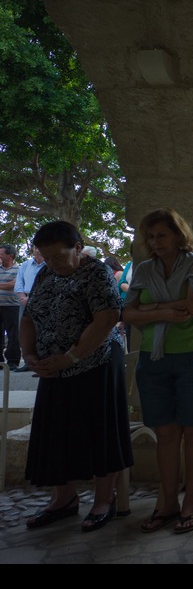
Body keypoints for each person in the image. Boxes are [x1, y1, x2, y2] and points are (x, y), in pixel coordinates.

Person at [21, 220, 133, 532]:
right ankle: (64, 499)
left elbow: (106, 319)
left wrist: (70, 356)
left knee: (99, 431)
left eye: (59, 256)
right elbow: (30, 316)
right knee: (56, 432)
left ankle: (103, 499)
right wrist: (29, 354)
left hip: (94, 364)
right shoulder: (46, 274)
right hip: (53, 369)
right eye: (47, 256)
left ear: (78, 248)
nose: (52, 263)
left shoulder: (95, 273)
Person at [123, 208, 193, 535]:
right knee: (165, 434)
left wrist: (146, 311)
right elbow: (127, 315)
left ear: (179, 235)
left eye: (162, 235)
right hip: (154, 359)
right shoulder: (144, 268)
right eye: (150, 237)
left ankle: (189, 501)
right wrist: (163, 309)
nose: (155, 242)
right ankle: (166, 503)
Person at [13, 245, 46, 371]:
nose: (37, 250)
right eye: (35, 247)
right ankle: (28, 362)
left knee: (42, 330)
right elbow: (19, 284)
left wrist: (31, 298)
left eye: (40, 247)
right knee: (25, 331)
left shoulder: (49, 265)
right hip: (24, 301)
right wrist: (23, 297)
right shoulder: (25, 265)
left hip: (42, 300)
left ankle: (42, 359)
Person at [0, 244, 21, 371]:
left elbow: (15, 284)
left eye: (1, 253)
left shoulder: (19, 269)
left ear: (10, 255)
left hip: (13, 306)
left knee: (14, 335)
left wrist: (7, 285)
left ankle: (13, 361)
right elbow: (9, 284)